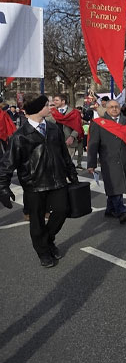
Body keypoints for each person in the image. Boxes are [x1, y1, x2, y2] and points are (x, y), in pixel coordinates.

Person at [0, 93, 79, 267]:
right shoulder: (20, 135)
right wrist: (3, 187)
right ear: (37, 109)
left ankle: (48, 239)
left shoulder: (53, 128)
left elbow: (64, 155)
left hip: (57, 181)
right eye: (46, 105)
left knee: (62, 211)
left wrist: (72, 174)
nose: (50, 107)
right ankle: (43, 252)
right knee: (36, 221)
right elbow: (7, 164)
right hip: (34, 185)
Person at [86, 98, 126, 223]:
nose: (114, 109)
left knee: (119, 184)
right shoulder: (98, 123)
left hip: (125, 159)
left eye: (116, 107)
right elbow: (93, 145)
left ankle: (110, 209)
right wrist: (91, 163)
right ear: (106, 109)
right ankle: (121, 211)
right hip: (108, 160)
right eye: (111, 107)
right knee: (114, 184)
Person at [49, 93, 85, 169]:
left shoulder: (74, 112)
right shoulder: (51, 112)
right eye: (54, 100)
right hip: (54, 141)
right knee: (57, 163)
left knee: (67, 163)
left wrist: (72, 137)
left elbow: (78, 127)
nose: (54, 102)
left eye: (56, 100)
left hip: (69, 142)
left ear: (63, 101)